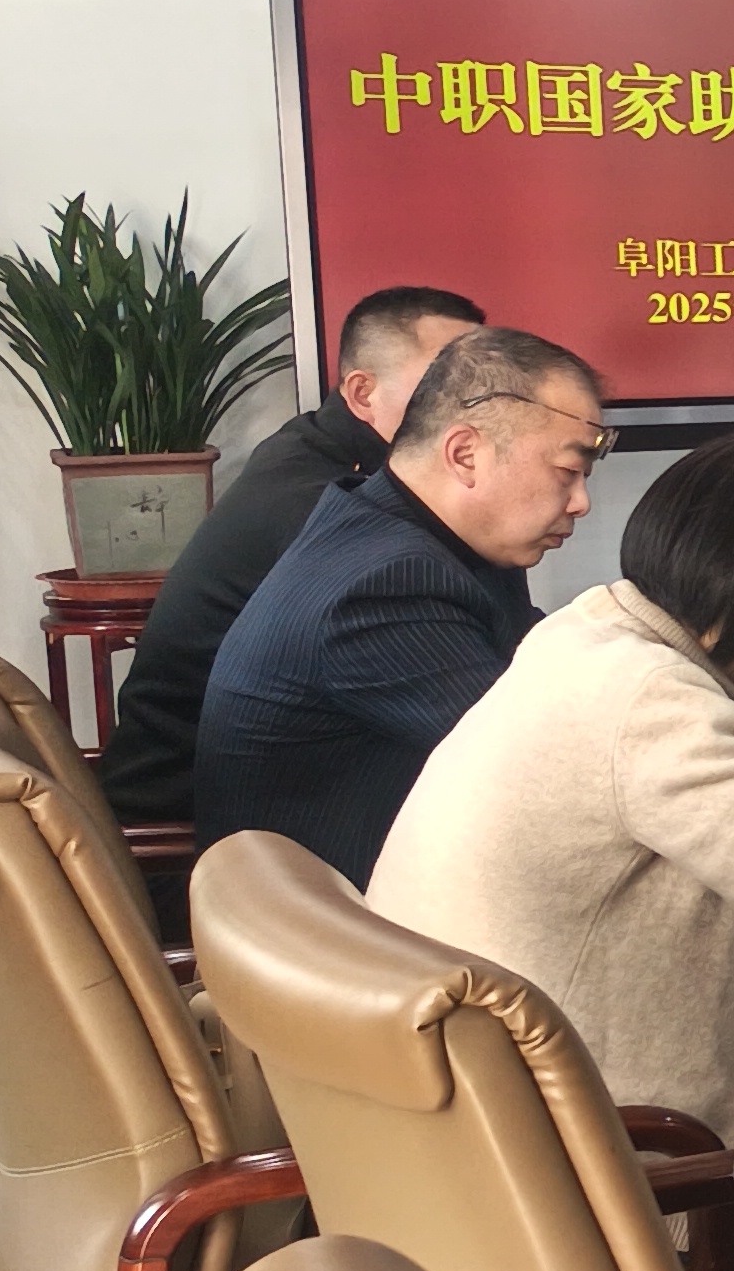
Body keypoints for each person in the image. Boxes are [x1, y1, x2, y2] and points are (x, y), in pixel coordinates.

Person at [368, 425, 734, 1149]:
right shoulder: (653, 699)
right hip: (605, 1153)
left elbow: (704, 786)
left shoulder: (587, 634)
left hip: (463, 1111)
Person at [191, 327, 602, 887]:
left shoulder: (422, 538)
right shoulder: (385, 586)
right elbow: (550, 769)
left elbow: (560, 676)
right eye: (568, 472)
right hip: (345, 926)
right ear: (465, 454)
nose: (580, 502)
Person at [102, 285, 483, 823]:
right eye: (445, 383)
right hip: (199, 812)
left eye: (484, 386)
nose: (477, 406)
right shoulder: (327, 501)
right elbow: (474, 718)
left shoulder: (317, 449)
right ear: (362, 393)